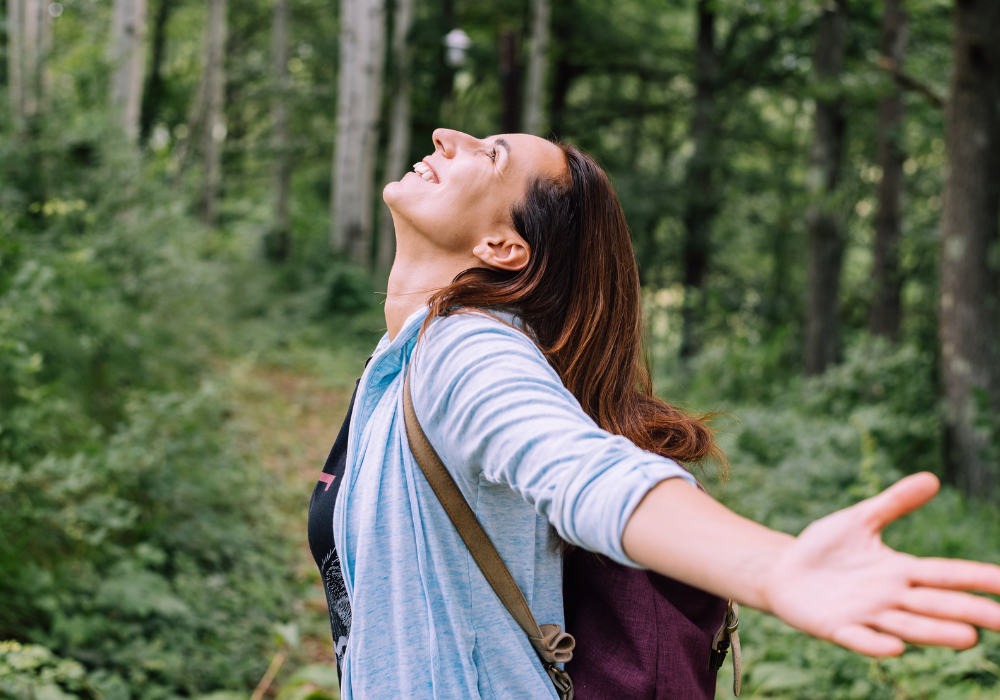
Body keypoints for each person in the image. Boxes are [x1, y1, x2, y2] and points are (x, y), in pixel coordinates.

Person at [307, 129, 1000, 700]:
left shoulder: (465, 349)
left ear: (503, 248)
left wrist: (773, 568)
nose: (446, 137)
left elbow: (585, 472)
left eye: (489, 154)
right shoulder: (399, 355)